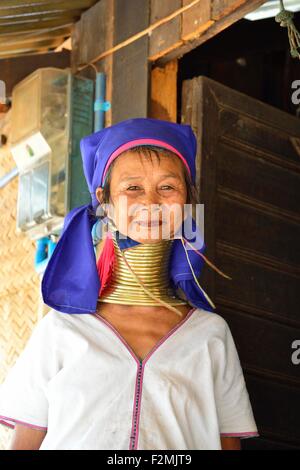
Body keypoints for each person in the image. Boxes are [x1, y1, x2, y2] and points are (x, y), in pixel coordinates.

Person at [0, 118, 259, 450]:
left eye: (167, 187)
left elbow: (228, 444)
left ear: (187, 200)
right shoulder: (61, 330)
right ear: (103, 200)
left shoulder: (210, 335)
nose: (150, 202)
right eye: (132, 188)